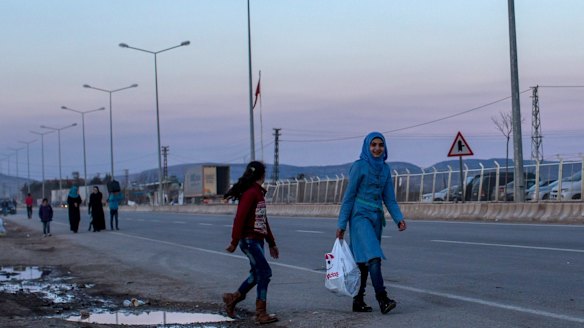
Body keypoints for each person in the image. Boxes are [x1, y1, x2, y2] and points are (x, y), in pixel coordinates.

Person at [336, 132, 407, 315]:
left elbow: (389, 199)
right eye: (373, 145)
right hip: (360, 216)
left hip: (376, 217)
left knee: (364, 261)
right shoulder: (359, 166)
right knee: (374, 256)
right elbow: (349, 197)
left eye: (380, 145)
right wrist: (342, 224)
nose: (376, 148)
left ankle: (358, 300)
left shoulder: (385, 169)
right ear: (367, 147)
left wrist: (399, 218)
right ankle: (382, 299)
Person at [223, 161, 279, 324]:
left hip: (257, 240)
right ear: (262, 175)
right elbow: (239, 218)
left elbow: (263, 220)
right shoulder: (250, 193)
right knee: (265, 273)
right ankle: (260, 313)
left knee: (257, 274)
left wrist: (271, 243)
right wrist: (234, 242)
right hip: (249, 241)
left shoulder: (258, 193)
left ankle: (233, 298)